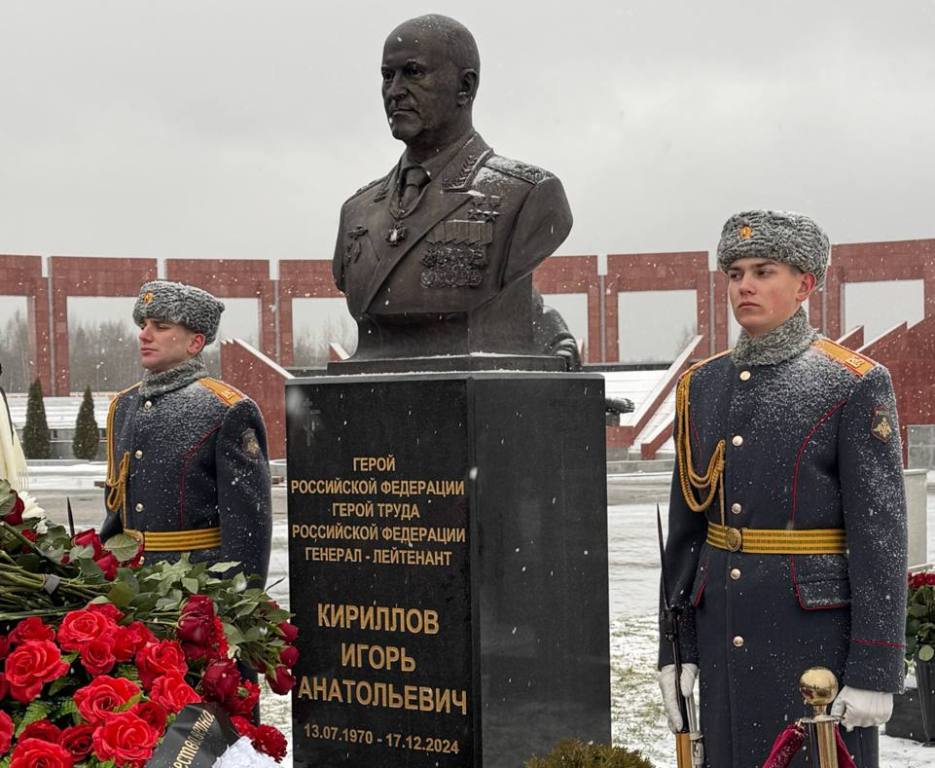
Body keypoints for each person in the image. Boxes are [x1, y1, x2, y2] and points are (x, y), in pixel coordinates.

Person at [658, 210, 907, 767]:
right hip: (723, 629)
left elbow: (880, 536)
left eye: (763, 271)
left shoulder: (852, 382)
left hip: (813, 641)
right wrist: (676, 648)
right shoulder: (702, 385)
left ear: (805, 285)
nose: (743, 285)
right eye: (734, 272)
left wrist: (874, 667)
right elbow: (686, 532)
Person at [332, 14, 579, 368]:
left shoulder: (529, 196)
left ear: (465, 86)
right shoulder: (356, 211)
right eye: (388, 75)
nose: (395, 90)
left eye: (413, 72)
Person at [100, 280, 272, 585]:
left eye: (161, 326)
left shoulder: (226, 409)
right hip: (130, 590)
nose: (144, 334)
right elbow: (116, 515)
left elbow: (247, 526)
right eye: (143, 324)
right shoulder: (124, 406)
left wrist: (241, 606)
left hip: (196, 590)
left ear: (195, 343)